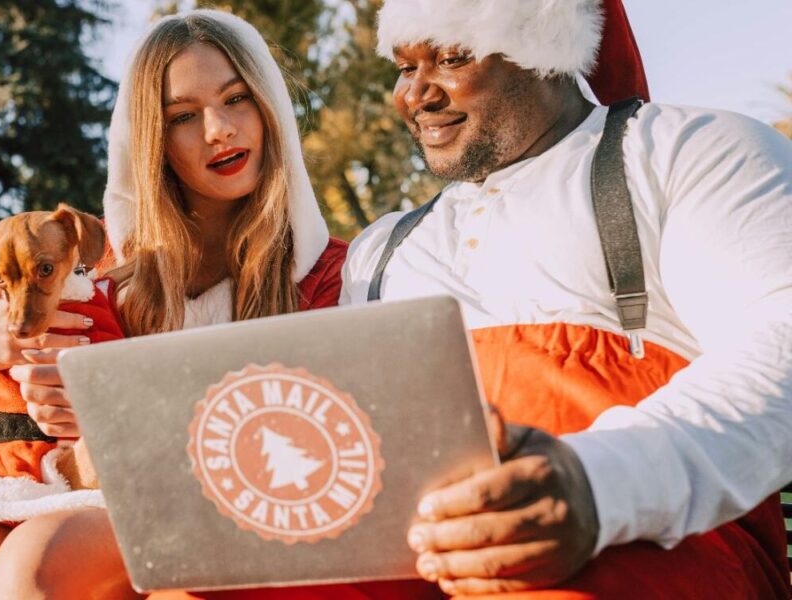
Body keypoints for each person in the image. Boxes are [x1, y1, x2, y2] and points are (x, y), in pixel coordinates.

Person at [0, 9, 346, 599]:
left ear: (270, 105)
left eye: (236, 98)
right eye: (183, 116)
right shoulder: (90, 268)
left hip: (207, 495)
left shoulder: (325, 275)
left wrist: (117, 413)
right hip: (49, 482)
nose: (218, 129)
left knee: (37, 562)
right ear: (153, 139)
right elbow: (5, 434)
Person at [334, 0, 791, 598]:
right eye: (403, 67)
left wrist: (598, 484)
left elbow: (780, 341)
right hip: (422, 555)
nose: (416, 95)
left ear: (542, 50)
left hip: (653, 550)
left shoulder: (685, 152)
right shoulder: (378, 252)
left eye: (451, 58)